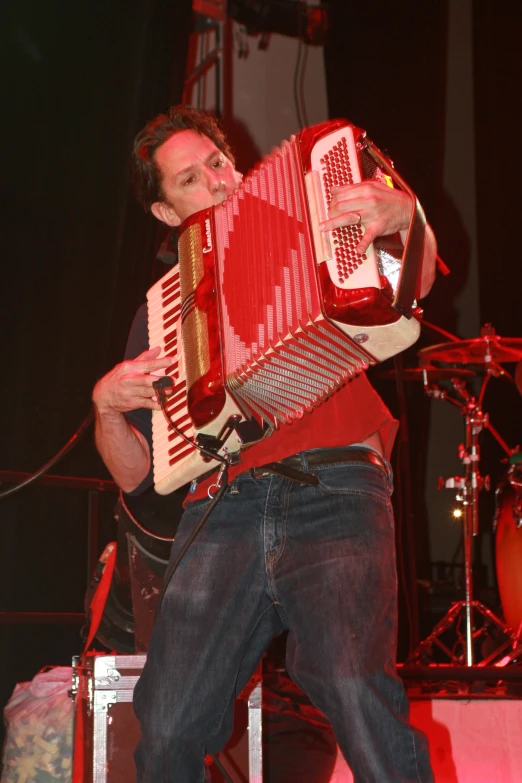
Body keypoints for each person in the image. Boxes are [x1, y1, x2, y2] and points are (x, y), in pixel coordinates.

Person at [92, 105, 437, 782]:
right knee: (164, 722)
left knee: (352, 687)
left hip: (336, 480)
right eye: (191, 178)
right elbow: (140, 475)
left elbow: (413, 290)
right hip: (223, 505)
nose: (218, 181)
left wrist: (405, 217)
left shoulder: (310, 216)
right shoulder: (160, 315)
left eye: (218, 161)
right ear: (166, 213)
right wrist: (104, 407)